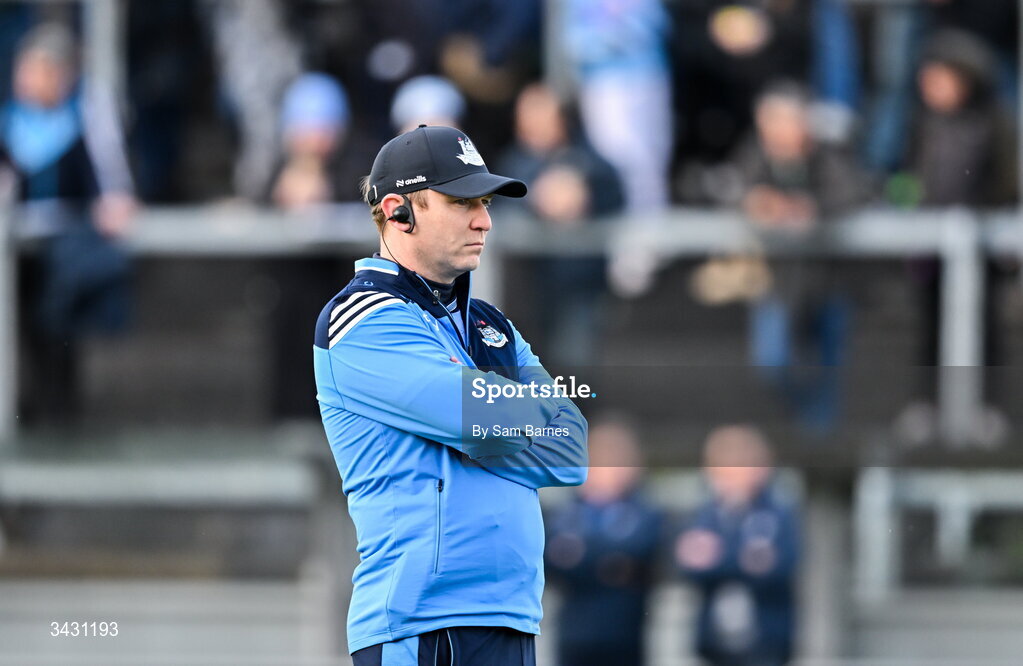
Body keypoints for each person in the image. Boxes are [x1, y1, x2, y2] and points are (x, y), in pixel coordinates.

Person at [313, 125, 589, 665]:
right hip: (421, 624)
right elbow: (478, 417)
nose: (484, 219)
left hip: (511, 617)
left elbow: (572, 450)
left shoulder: (492, 325)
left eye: (483, 202)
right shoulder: (360, 320)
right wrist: (499, 418)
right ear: (398, 211)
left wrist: (482, 422)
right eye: (462, 201)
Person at [0, 23, 136, 425]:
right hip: (17, 252)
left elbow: (111, 185)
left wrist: (113, 204)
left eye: (39, 70)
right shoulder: (10, 121)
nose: (27, 80)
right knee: (18, 332)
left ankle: (59, 413)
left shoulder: (85, 117)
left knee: (57, 337)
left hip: (62, 253)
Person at [497, 82, 624, 366]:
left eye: (540, 116)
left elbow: (614, 192)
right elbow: (498, 205)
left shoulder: (589, 160)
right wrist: (536, 198)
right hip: (527, 287)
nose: (530, 125)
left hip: (579, 284)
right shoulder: (513, 162)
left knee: (574, 363)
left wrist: (582, 188)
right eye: (525, 116)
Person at [675, 425, 800, 666]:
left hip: (766, 641)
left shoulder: (780, 514)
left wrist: (715, 557)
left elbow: (782, 566)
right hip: (714, 641)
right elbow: (687, 567)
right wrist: (746, 558)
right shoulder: (705, 515)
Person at [544, 416, 663, 666]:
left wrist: (579, 553)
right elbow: (551, 561)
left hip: (624, 637)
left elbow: (639, 551)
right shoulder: (566, 512)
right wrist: (609, 562)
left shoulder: (646, 512)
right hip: (574, 637)